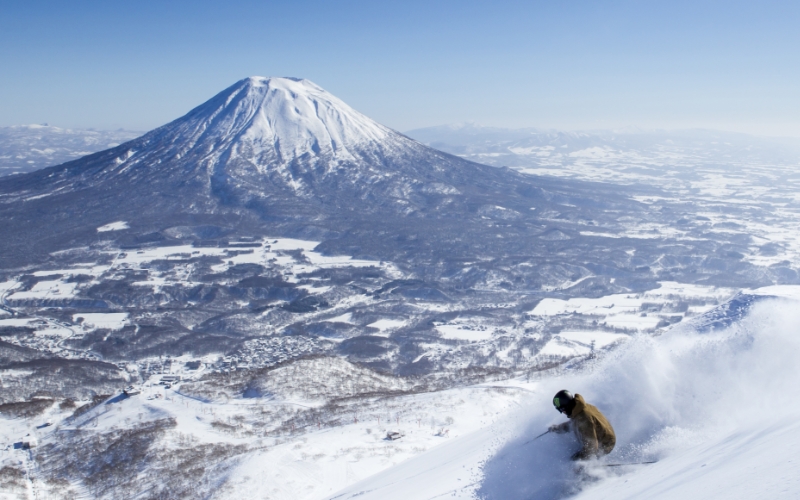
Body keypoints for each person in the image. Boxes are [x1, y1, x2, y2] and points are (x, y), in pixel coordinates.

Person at [548, 390, 616, 460]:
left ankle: (590, 466)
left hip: (605, 443)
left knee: (574, 460)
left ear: (566, 407)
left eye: (561, 410)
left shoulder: (583, 419)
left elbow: (591, 446)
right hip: (600, 436)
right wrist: (558, 428)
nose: (562, 412)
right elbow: (572, 424)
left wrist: (582, 463)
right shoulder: (578, 408)